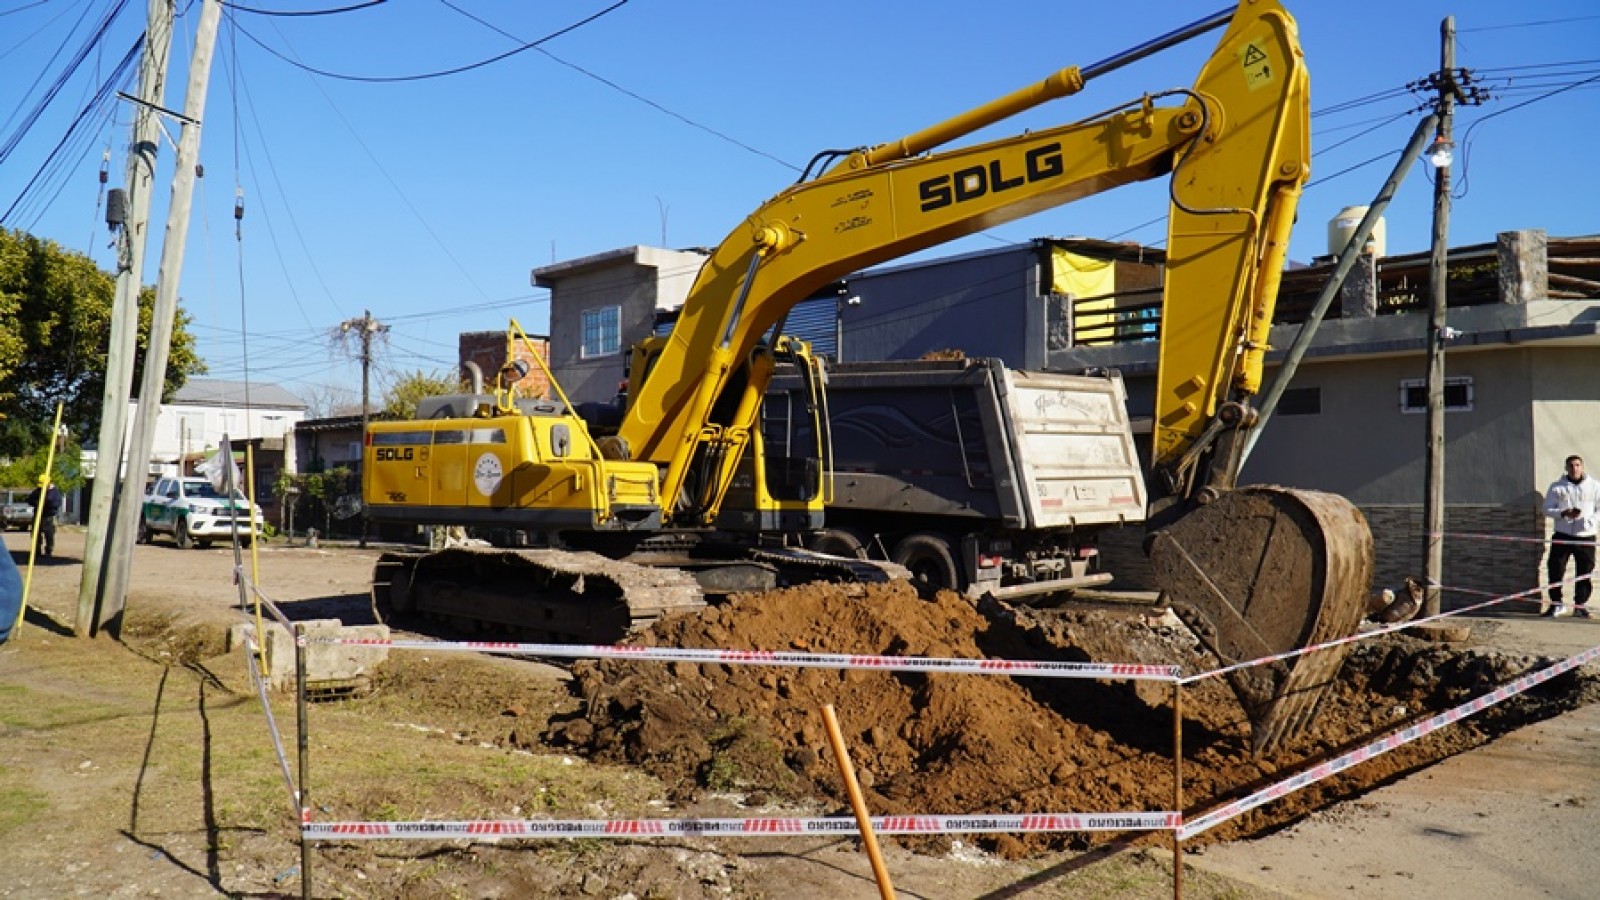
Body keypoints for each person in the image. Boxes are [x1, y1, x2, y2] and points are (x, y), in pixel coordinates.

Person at [1541, 455, 1600, 617]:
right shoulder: (1557, 487)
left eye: (1578, 465)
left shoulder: (1595, 486)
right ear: (1566, 468)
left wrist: (1590, 521)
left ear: (1582, 467)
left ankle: (1579, 605)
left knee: (1585, 571)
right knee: (1555, 569)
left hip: (1585, 535)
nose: (1575, 468)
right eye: (1571, 466)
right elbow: (1546, 509)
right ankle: (1556, 604)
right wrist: (1563, 513)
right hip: (1563, 534)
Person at [25, 477, 62, 559]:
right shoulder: (38, 491)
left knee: (49, 534)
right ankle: (36, 551)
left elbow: (57, 504)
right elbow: (29, 500)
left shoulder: (55, 492)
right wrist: (36, 502)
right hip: (38, 515)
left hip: (48, 516)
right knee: (35, 534)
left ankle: (48, 551)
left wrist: (47, 502)